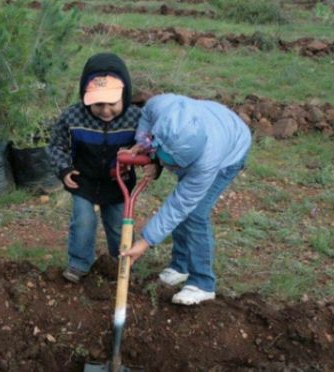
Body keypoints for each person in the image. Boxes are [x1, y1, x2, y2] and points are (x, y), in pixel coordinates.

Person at [120, 93, 252, 305]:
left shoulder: (206, 162)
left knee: (195, 213)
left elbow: (180, 205)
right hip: (211, 120)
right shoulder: (162, 107)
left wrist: (145, 241)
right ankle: (180, 266)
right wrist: (144, 145)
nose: (170, 167)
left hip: (231, 149)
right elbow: (146, 115)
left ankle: (203, 283)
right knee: (185, 211)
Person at [49, 53, 148, 283]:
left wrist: (147, 159)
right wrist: (64, 169)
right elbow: (57, 145)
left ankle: (122, 263)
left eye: (112, 104)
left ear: (125, 96)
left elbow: (148, 145)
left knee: (119, 225)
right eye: (98, 104)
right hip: (84, 179)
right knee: (83, 221)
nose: (105, 111)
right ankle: (79, 263)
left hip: (118, 182)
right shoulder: (73, 116)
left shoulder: (136, 118)